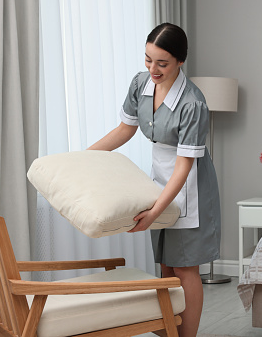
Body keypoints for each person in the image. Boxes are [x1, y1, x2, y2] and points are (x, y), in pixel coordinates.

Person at [88, 23, 221, 337]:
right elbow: (125, 129)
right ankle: (170, 332)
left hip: (189, 186)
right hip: (159, 179)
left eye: (162, 63)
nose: (153, 69)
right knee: (165, 265)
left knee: (184, 267)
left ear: (180, 61)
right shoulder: (140, 84)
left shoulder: (192, 103)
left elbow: (184, 166)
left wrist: (156, 211)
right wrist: (84, 156)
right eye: (148, 59)